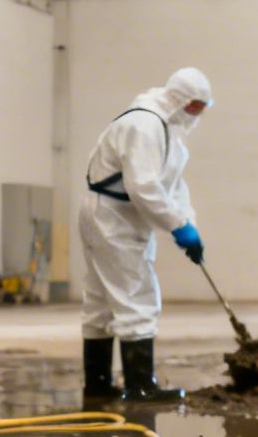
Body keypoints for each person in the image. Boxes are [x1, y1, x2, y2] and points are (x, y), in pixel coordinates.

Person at [78, 67, 212, 403]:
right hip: (113, 217)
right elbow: (144, 187)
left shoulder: (168, 133)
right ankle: (140, 387)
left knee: (102, 304)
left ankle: (97, 385)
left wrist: (188, 223)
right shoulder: (145, 124)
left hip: (120, 217)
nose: (197, 114)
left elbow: (175, 187)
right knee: (136, 297)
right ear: (180, 99)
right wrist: (176, 226)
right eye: (195, 106)